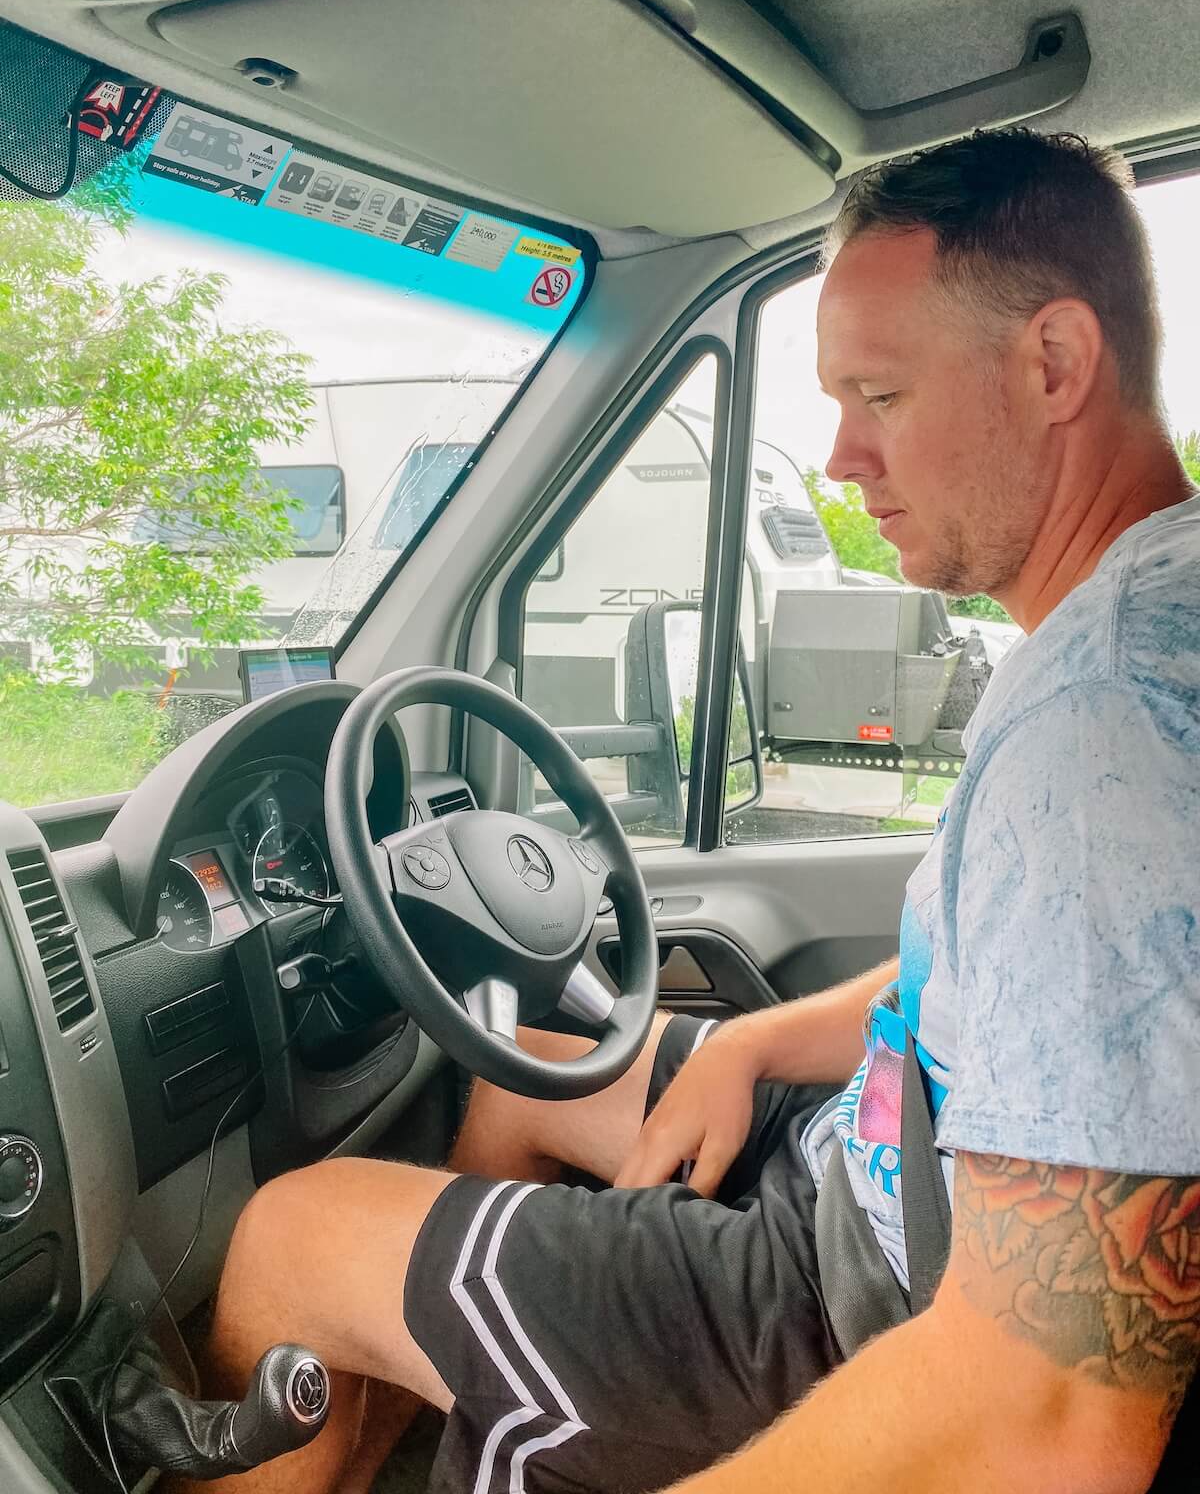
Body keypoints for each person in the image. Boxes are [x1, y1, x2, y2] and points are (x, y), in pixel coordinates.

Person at [175, 128, 1200, 1494]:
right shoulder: (1132, 621)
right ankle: (472, 1412)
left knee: (291, 1239)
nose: (840, 457)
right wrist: (756, 1045)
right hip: (879, 1174)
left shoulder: (1106, 729)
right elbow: (1036, 982)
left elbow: (1050, 1417)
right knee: (528, 1047)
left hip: (856, 1307)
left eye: (878, 394)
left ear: (1057, 363)